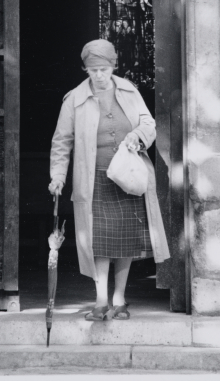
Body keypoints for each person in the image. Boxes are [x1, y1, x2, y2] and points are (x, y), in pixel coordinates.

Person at [49, 39, 170, 320]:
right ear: (85, 69)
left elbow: (148, 123)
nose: (99, 75)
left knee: (125, 240)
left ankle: (120, 299)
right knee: (99, 242)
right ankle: (101, 300)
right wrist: (57, 175)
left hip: (126, 177)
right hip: (94, 180)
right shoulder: (74, 101)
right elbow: (61, 141)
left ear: (113, 66)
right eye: (93, 70)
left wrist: (136, 136)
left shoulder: (129, 91)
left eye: (104, 69)